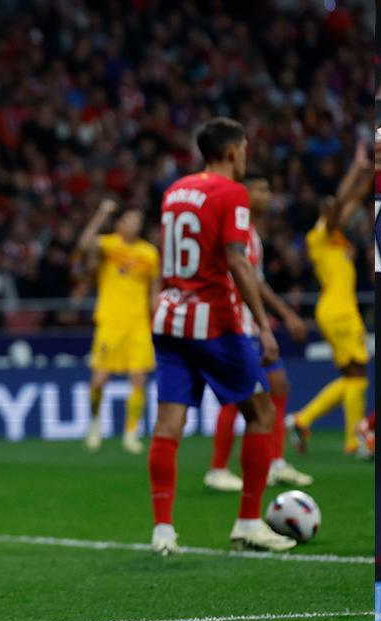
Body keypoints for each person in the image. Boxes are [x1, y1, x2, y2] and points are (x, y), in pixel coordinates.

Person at [146, 117, 295, 556]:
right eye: (245, 148)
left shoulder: (175, 191)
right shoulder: (233, 193)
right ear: (232, 151)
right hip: (214, 321)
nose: (246, 155)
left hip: (169, 318)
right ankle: (249, 523)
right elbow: (238, 261)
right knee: (262, 413)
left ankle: (163, 531)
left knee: (168, 425)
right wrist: (264, 326)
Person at [205, 173, 312, 491]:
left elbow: (257, 282)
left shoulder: (252, 234)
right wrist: (279, 315)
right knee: (238, 395)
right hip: (233, 323)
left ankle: (275, 463)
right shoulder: (233, 230)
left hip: (251, 323)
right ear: (245, 194)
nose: (269, 195)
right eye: (262, 189)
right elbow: (242, 278)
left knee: (278, 386)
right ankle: (217, 469)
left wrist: (283, 314)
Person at [286, 146, 373, 456]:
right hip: (338, 311)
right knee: (358, 373)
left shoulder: (337, 238)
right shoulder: (319, 237)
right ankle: (354, 441)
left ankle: (303, 419)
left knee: (352, 376)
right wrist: (356, 168)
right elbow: (340, 201)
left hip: (340, 309)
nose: (334, 209)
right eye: (328, 207)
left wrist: (369, 170)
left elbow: (357, 196)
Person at [75, 198, 159, 454]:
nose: (135, 224)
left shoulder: (149, 253)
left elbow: (155, 291)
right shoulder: (108, 245)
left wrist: (158, 318)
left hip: (138, 325)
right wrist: (101, 212)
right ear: (120, 223)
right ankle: (94, 423)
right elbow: (83, 245)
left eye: (138, 221)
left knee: (138, 379)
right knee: (98, 380)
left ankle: (131, 433)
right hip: (110, 322)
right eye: (130, 219)